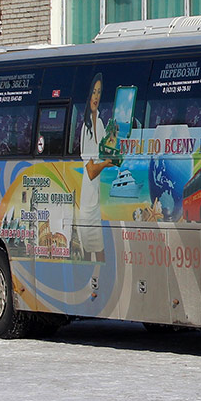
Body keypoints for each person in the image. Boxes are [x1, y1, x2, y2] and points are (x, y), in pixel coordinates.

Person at [77, 73, 113, 261]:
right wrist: (106, 164)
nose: (96, 96)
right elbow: (91, 171)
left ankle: (99, 285)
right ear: (88, 95)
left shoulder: (99, 122)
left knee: (99, 251)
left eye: (99, 92)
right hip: (88, 202)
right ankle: (91, 286)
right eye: (94, 92)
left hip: (97, 200)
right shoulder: (86, 127)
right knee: (93, 252)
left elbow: (108, 148)